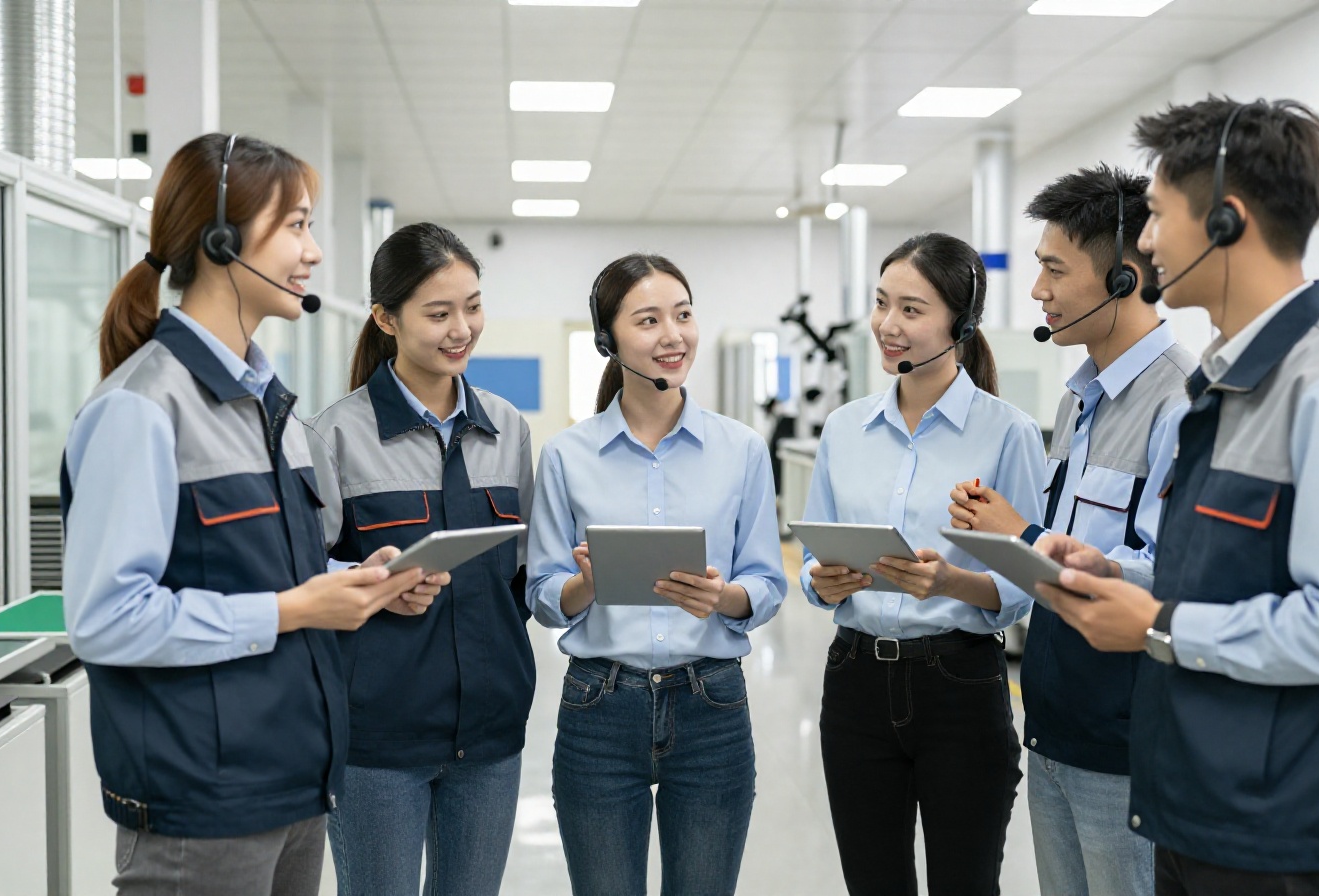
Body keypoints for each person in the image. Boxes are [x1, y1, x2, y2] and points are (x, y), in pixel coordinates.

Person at [1036, 97, 1319, 896]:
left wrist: (1158, 623)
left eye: (1155, 216)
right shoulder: (1229, 383)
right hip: (1197, 806)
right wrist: (1126, 581)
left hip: (1278, 829)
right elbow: (1233, 580)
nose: (1145, 244)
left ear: (1225, 221)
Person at [61, 133, 439, 896]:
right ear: (224, 242)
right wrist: (292, 609)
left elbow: (271, 578)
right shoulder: (141, 408)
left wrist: (355, 584)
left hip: (293, 783)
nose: (314, 252)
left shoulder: (274, 411)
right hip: (200, 804)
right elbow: (105, 619)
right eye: (296, 226)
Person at [949, 165, 1195, 896]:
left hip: (1125, 744)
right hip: (1054, 721)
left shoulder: (1181, 405)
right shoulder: (1079, 403)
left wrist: (1020, 535)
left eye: (1054, 269)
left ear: (1122, 279)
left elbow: (1165, 579)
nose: (1038, 291)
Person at [526, 253, 787, 896]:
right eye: (648, 320)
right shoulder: (567, 455)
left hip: (712, 706)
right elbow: (542, 594)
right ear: (608, 342)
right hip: (598, 707)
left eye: (684, 315)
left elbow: (767, 580)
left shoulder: (742, 450)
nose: (673, 335)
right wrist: (586, 586)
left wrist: (723, 597)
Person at [801, 232, 1047, 896]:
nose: (887, 325)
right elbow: (811, 556)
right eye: (882, 304)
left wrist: (952, 581)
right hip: (854, 681)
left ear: (960, 323)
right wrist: (820, 581)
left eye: (911, 310)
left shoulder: (1009, 433)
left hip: (959, 684)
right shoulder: (844, 430)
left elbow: (1029, 581)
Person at [306, 223, 533, 895]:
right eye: (439, 313)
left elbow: (516, 576)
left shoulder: (508, 429)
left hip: (490, 736)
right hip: (377, 744)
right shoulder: (333, 435)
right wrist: (369, 583)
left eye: (472, 306)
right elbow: (298, 578)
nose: (462, 327)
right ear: (385, 317)